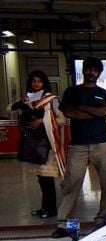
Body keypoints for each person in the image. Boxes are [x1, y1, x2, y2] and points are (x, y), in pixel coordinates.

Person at [52, 57, 106, 238]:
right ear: (84, 70)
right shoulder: (72, 92)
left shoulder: (105, 93)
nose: (91, 73)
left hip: (102, 144)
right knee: (72, 183)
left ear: (99, 73)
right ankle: (64, 224)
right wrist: (95, 111)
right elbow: (70, 113)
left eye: (95, 70)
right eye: (88, 69)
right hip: (78, 146)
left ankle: (102, 220)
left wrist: (82, 108)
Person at [10, 70, 66, 218]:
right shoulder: (29, 100)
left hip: (47, 144)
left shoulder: (51, 100)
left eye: (39, 81)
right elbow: (10, 108)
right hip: (33, 143)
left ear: (44, 83)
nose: (36, 84)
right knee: (41, 178)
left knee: (47, 177)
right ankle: (44, 207)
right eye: (33, 81)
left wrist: (41, 121)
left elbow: (62, 119)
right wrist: (21, 103)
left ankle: (51, 209)